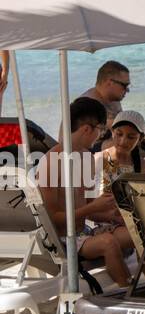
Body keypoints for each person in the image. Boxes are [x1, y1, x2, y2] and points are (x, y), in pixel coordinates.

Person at [33, 97, 134, 286]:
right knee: (108, 243)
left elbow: (89, 208)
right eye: (101, 130)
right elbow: (53, 218)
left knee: (138, 232)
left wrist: (113, 216)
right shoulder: (52, 162)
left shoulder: (87, 158)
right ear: (88, 129)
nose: (101, 136)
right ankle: (128, 291)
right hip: (63, 240)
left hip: (84, 232)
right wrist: (94, 207)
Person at [94, 110, 145, 194]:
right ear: (112, 132)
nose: (123, 141)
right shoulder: (99, 159)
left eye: (131, 137)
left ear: (140, 139)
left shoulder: (142, 164)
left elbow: (143, 195)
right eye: (119, 134)